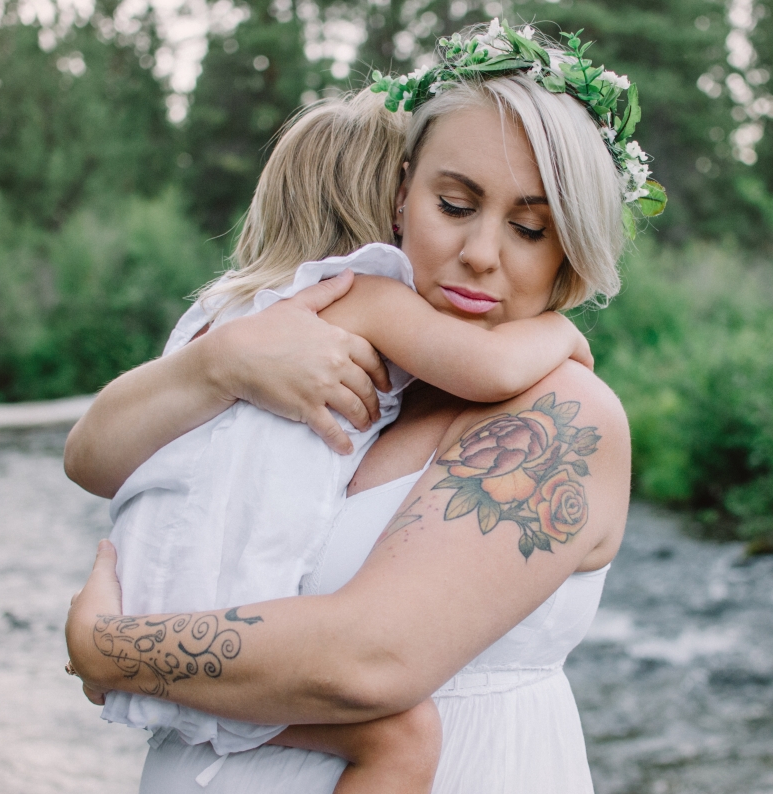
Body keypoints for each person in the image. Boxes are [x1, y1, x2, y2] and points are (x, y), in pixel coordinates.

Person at [65, 21, 664, 793]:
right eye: (454, 205)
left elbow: (370, 661)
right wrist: (221, 364)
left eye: (528, 227)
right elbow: (92, 455)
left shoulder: (564, 413)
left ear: (571, 249)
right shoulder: (315, 358)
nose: (483, 252)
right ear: (401, 193)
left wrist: (110, 651)